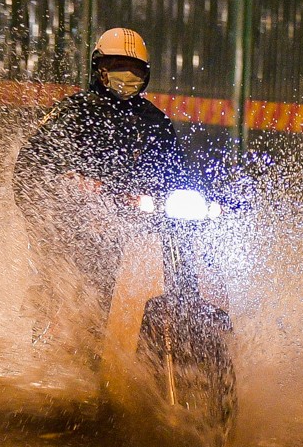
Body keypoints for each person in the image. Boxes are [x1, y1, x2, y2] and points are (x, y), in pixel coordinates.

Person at [13, 27, 181, 356]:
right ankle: (50, 354)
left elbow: (178, 174)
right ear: (98, 69)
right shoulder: (72, 113)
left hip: (137, 229)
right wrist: (66, 187)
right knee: (67, 291)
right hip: (73, 227)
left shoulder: (155, 123)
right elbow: (31, 167)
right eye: (117, 67)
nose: (126, 77)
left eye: (134, 70)